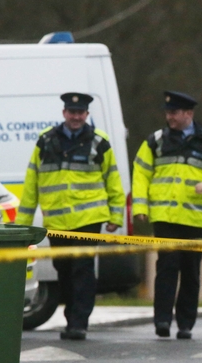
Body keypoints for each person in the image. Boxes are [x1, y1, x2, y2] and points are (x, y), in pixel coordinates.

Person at [16, 92, 125, 341]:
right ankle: (71, 320)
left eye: (80, 113)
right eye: (72, 112)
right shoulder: (46, 141)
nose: (76, 117)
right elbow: (31, 183)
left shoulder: (99, 142)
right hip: (57, 222)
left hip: (89, 219)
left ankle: (79, 323)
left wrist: (115, 216)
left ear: (87, 114)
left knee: (82, 270)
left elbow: (113, 180)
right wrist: (23, 225)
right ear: (64, 113)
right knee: (63, 270)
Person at [132, 91, 202, 340]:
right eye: (168, 113)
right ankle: (162, 320)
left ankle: (185, 323)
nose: (170, 117)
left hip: (195, 218)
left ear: (189, 113)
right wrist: (140, 207)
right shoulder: (156, 140)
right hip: (164, 216)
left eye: (174, 113)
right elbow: (141, 174)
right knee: (166, 268)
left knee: (190, 271)